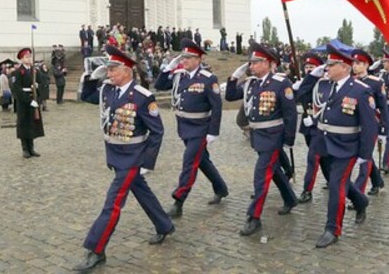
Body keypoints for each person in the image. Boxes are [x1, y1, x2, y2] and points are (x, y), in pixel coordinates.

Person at [74, 46, 174, 272]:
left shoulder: (142, 97)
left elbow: (157, 132)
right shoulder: (108, 90)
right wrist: (90, 78)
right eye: (108, 70)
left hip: (132, 158)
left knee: (112, 204)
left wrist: (147, 163)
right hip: (114, 154)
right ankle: (164, 224)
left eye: (112, 70)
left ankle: (96, 249)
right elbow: (88, 97)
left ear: (127, 70)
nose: (109, 74)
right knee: (142, 192)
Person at [297, 44, 376, 248]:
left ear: (344, 67)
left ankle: (333, 229)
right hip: (323, 144)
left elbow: (369, 126)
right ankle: (361, 201)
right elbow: (307, 98)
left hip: (346, 147)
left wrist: (364, 155)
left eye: (331, 65)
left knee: (335, 186)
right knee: (338, 182)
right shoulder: (326, 85)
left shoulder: (360, 91)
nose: (326, 68)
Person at [225, 43, 298, 236]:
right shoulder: (252, 83)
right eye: (250, 63)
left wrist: (289, 139)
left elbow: (290, 114)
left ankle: (254, 217)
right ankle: (290, 198)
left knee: (261, 176)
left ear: (267, 63)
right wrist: (234, 77)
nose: (251, 66)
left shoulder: (281, 83)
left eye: (255, 62)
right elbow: (231, 95)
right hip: (258, 137)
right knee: (273, 171)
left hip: (273, 137)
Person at [154, 39, 229, 218]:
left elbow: (216, 106)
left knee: (189, 161)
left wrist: (213, 132)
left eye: (189, 57)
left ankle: (179, 200)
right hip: (184, 127)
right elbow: (159, 86)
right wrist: (166, 69)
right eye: (183, 57)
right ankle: (221, 188)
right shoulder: (180, 75)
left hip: (200, 129)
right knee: (201, 160)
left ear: (198, 59)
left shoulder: (208, 78)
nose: (184, 60)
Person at [350, 49, 387, 196]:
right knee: (366, 156)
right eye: (353, 62)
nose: (355, 66)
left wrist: (383, 129)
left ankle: (359, 192)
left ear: (366, 65)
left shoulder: (376, 83)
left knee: (364, 159)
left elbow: (383, 107)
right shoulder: (351, 82)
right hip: (354, 125)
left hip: (371, 125)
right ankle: (377, 181)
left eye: (358, 63)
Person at [295, 53, 331, 203]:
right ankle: (331, 180)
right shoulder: (306, 83)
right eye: (307, 67)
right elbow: (299, 96)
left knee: (313, 157)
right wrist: (308, 80)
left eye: (312, 67)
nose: (309, 70)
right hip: (308, 124)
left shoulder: (326, 83)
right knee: (322, 158)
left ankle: (307, 190)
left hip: (321, 125)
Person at [10, 48, 44, 158]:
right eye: (27, 57)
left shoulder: (34, 70)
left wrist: (37, 88)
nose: (29, 59)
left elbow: (42, 81)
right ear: (21, 59)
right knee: (24, 125)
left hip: (34, 99)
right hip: (24, 102)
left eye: (30, 56)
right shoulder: (18, 72)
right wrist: (29, 101)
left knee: (32, 125)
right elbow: (17, 89)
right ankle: (25, 148)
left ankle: (31, 148)